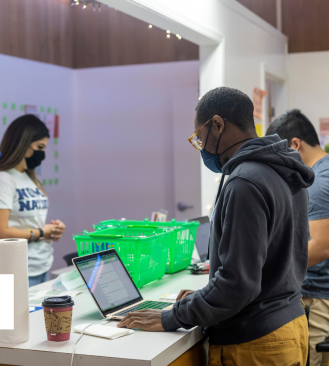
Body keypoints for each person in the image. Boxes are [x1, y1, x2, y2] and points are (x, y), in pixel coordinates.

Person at [117, 87, 314, 366]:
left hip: (255, 340)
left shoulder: (245, 181)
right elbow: (268, 264)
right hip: (289, 325)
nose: (201, 147)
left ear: (218, 124)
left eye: (199, 137)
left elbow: (238, 285)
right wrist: (205, 296)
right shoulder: (284, 171)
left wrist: (172, 316)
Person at [266, 109, 329, 366]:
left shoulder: (323, 182)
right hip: (328, 293)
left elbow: (322, 247)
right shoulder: (327, 170)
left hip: (319, 298)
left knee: (307, 361)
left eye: (280, 153)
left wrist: (272, 264)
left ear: (296, 144)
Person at [0, 114, 66, 287]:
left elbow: (32, 222)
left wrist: (53, 229)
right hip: (18, 268)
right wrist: (42, 232)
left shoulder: (30, 178)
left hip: (42, 264)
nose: (42, 154)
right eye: (40, 147)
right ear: (24, 143)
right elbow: (1, 233)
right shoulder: (2, 179)